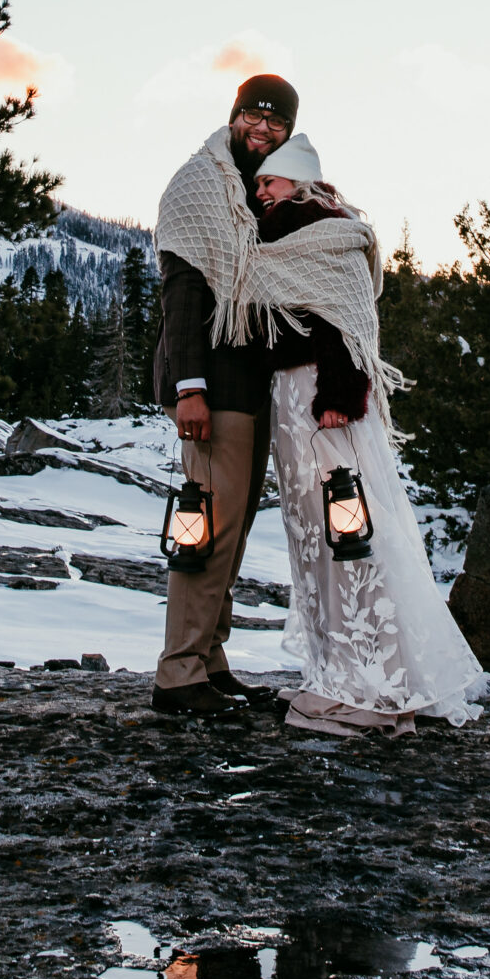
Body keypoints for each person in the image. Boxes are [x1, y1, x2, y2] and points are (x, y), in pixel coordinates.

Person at [242, 133, 490, 736]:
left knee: (347, 532)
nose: (261, 191)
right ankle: (337, 668)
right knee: (315, 536)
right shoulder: (280, 235)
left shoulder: (324, 229)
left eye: (268, 181)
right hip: (291, 400)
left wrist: (338, 397)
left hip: (320, 400)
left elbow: (347, 325)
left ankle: (373, 682)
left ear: (298, 180)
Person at [146, 74, 299, 716]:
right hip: (210, 386)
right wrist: (190, 390)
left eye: (276, 121)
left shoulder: (258, 194)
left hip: (251, 387)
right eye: (253, 115)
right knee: (204, 530)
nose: (262, 128)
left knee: (230, 533)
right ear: (233, 116)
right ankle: (179, 673)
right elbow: (183, 293)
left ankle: (210, 660)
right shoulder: (202, 185)